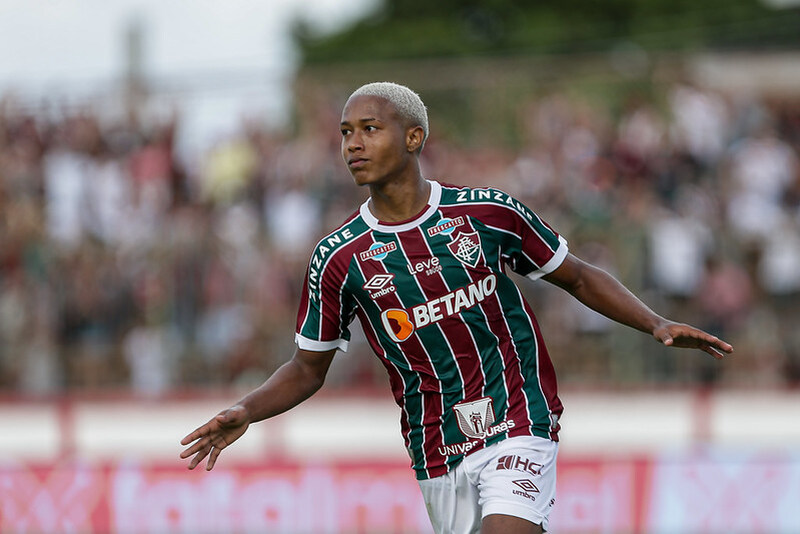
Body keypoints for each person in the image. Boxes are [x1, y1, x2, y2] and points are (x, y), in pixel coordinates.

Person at [180, 82, 733, 534]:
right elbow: (307, 367)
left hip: (519, 414)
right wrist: (248, 410)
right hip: (435, 444)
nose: (353, 144)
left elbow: (579, 276)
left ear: (415, 136)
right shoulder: (338, 258)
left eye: (370, 129)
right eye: (346, 133)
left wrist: (655, 322)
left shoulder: (487, 213)